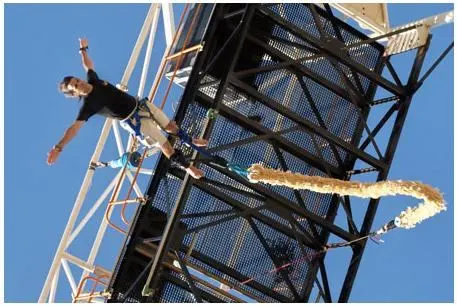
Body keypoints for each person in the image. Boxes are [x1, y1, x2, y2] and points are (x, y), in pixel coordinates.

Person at [47, 38, 207, 179]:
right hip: (134, 121)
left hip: (141, 105)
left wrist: (83, 50)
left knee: (170, 126)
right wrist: (59, 147)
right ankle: (189, 169)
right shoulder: (89, 105)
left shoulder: (93, 80)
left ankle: (190, 141)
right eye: (75, 86)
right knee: (165, 145)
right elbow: (74, 128)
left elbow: (88, 65)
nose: (79, 83)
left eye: (77, 80)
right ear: (75, 94)